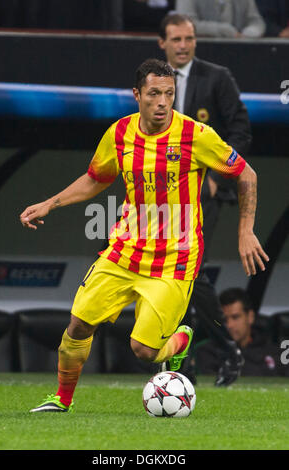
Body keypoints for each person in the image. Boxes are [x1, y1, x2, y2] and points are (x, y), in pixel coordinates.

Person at [20, 58, 268, 412]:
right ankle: (61, 399)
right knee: (77, 325)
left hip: (175, 262)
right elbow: (96, 178)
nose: (163, 102)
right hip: (124, 251)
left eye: (169, 93)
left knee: (144, 351)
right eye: (154, 93)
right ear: (137, 95)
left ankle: (180, 341)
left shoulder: (196, 135)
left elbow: (247, 175)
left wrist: (245, 231)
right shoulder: (119, 133)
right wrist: (51, 203)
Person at [158, 13, 252, 385]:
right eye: (176, 39)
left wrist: (214, 180)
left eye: (189, 39)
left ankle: (225, 350)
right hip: (163, 198)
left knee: (189, 272)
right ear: (162, 43)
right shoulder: (153, 82)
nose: (183, 45)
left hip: (203, 195)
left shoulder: (216, 78)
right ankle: (190, 363)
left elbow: (241, 131)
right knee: (174, 276)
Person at [195, 288, 289, 377]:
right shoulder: (207, 352)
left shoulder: (275, 353)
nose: (230, 325)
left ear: (250, 317)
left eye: (235, 317)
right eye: (224, 319)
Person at [175, 0, 265, 38]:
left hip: (238, 52)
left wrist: (248, 34)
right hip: (202, 52)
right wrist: (226, 30)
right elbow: (185, 23)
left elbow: (256, 21)